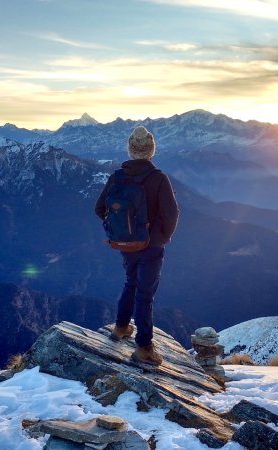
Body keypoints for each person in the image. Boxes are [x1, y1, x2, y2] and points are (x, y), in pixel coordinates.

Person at [95, 126, 179, 366]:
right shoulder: (158, 179)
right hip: (150, 246)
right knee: (145, 293)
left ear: (130, 150)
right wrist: (161, 237)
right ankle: (144, 347)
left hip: (125, 243)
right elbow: (171, 215)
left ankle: (121, 327)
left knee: (130, 282)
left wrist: (119, 229)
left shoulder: (118, 177)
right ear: (151, 150)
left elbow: (99, 208)